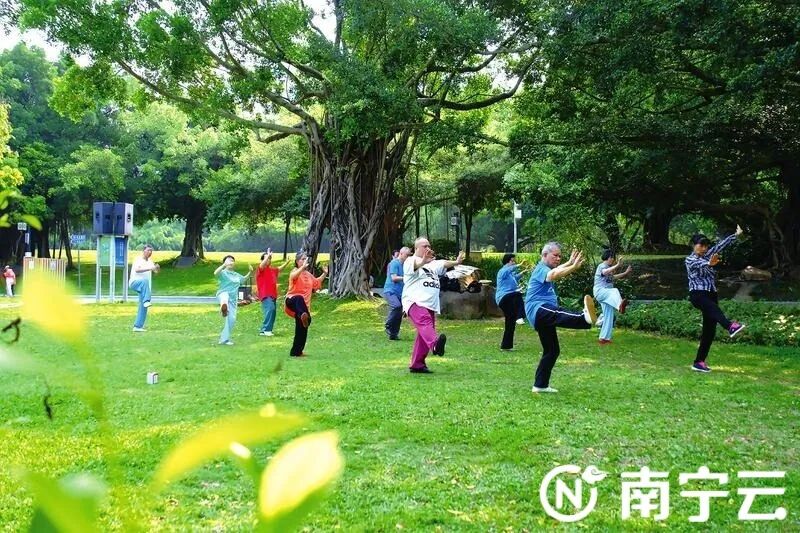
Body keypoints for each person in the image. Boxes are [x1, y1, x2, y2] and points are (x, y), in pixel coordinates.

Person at [525, 242, 597, 393]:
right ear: (545, 255)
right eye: (555, 256)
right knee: (558, 313)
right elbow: (553, 275)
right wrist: (573, 267)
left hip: (541, 315)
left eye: (560, 256)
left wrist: (569, 262)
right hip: (538, 309)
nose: (558, 259)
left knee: (552, 350)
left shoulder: (546, 268)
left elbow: (556, 270)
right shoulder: (541, 268)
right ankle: (583, 318)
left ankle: (540, 385)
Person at [685, 226, 746, 373]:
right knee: (714, 309)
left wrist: (735, 235)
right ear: (693, 245)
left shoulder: (708, 254)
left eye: (706, 246)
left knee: (709, 330)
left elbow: (721, 245)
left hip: (711, 294)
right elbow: (699, 264)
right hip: (698, 294)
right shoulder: (690, 259)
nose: (704, 248)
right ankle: (730, 326)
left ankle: (699, 362)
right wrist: (709, 264)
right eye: (701, 245)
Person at [402, 237, 465, 374]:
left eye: (429, 246)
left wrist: (456, 262)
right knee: (425, 323)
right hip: (415, 301)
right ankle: (435, 345)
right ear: (416, 248)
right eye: (424, 246)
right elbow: (414, 266)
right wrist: (422, 262)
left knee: (424, 333)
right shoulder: (411, 260)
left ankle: (417, 364)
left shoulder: (433, 264)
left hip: (430, 304)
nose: (428, 248)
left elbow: (444, 263)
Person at [284, 252, 328, 357]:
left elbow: (316, 283)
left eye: (305, 259)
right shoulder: (295, 271)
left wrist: (325, 273)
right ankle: (305, 316)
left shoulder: (308, 275)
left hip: (302, 309)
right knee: (299, 298)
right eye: (302, 259)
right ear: (297, 261)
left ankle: (296, 352)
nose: (305, 261)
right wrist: (302, 268)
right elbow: (293, 276)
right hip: (292, 302)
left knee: (302, 330)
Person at [593, 250, 633, 345]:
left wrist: (625, 273)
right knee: (614, 291)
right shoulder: (602, 266)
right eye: (612, 258)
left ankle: (604, 338)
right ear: (608, 258)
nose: (613, 260)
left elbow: (614, 277)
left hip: (606, 295)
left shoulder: (609, 268)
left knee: (609, 315)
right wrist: (618, 265)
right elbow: (605, 272)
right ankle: (619, 306)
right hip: (600, 292)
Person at [214, 255, 252, 346]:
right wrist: (224, 265)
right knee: (225, 297)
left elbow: (243, 280)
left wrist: (250, 271)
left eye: (232, 260)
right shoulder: (223, 273)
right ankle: (224, 307)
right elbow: (215, 273)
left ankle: (224, 340)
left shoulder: (236, 275)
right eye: (228, 260)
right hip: (222, 294)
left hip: (233, 300)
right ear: (225, 262)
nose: (230, 262)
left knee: (232, 320)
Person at [255, 248, 290, 337]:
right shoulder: (260, 269)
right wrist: (268, 256)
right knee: (270, 309)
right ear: (262, 260)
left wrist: (287, 262)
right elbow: (262, 265)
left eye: (270, 258)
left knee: (273, 312)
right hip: (265, 294)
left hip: (273, 295)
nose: (268, 260)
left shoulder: (272, 270)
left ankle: (267, 330)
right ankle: (265, 329)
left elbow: (279, 269)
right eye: (266, 258)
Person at [495, 253, 527, 350]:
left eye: (514, 261)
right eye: (512, 261)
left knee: (510, 323)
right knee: (518, 295)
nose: (514, 263)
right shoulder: (502, 271)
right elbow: (508, 270)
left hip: (510, 297)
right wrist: (519, 265)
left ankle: (506, 346)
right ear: (507, 262)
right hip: (503, 297)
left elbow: (515, 278)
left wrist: (524, 272)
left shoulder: (510, 274)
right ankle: (520, 316)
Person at [129, 245, 159, 332]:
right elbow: (137, 270)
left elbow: (155, 271)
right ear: (144, 251)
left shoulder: (150, 261)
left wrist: (157, 269)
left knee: (143, 307)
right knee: (145, 281)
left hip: (144, 288)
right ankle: (147, 300)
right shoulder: (138, 259)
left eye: (151, 251)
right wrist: (150, 268)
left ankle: (137, 326)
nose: (150, 252)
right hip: (135, 283)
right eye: (148, 250)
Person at [383, 246, 411, 340]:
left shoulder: (405, 265)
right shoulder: (394, 263)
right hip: (390, 291)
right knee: (396, 306)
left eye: (409, 255)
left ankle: (393, 334)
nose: (408, 257)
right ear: (401, 254)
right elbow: (394, 278)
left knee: (399, 313)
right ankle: (388, 324)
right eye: (407, 255)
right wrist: (406, 278)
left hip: (400, 293)